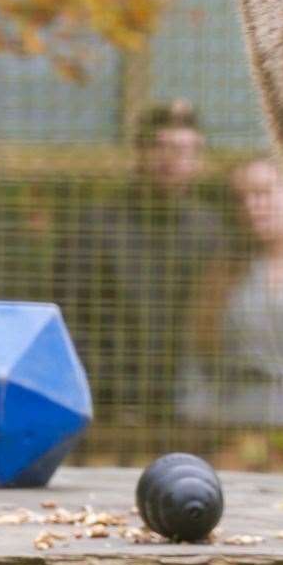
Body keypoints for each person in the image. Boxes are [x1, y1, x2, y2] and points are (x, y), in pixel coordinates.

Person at [57, 100, 226, 429]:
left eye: (184, 149)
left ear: (199, 159)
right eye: (161, 147)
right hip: (109, 401)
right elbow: (72, 317)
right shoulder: (95, 225)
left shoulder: (210, 230)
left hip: (189, 401)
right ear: (139, 154)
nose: (172, 159)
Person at [177, 157, 283, 466]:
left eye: (263, 193)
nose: (253, 206)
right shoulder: (222, 275)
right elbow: (196, 360)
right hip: (235, 427)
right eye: (242, 198)